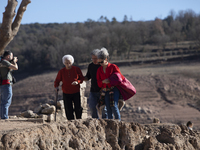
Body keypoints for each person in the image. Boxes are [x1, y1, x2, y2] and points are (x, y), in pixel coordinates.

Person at [96, 48, 125, 120]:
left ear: (106, 59)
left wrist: (109, 81)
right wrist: (103, 82)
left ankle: (118, 122)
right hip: (105, 90)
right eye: (99, 62)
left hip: (114, 89)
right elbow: (98, 82)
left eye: (101, 62)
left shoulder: (113, 67)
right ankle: (110, 123)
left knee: (114, 106)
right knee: (108, 107)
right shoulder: (99, 70)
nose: (100, 64)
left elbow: (119, 78)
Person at [54, 55, 84, 120]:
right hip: (66, 92)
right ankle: (70, 122)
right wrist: (56, 87)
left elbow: (81, 78)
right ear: (64, 63)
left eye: (69, 63)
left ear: (72, 62)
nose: (68, 64)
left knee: (78, 108)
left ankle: (79, 120)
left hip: (76, 91)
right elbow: (57, 80)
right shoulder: (61, 71)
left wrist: (77, 82)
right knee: (68, 108)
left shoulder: (76, 69)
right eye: (66, 63)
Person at [84, 49, 107, 119]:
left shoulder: (103, 66)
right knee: (92, 107)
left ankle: (106, 123)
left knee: (103, 110)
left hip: (103, 91)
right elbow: (88, 77)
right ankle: (95, 123)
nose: (94, 60)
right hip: (93, 91)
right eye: (92, 58)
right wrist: (80, 78)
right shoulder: (91, 66)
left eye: (95, 58)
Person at [0, 50, 18, 119]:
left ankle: (3, 116)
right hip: (6, 84)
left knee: (3, 102)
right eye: (11, 56)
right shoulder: (5, 62)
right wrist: (15, 62)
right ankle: (4, 117)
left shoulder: (2, 62)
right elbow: (15, 68)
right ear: (8, 56)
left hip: (2, 84)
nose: (12, 57)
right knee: (6, 102)